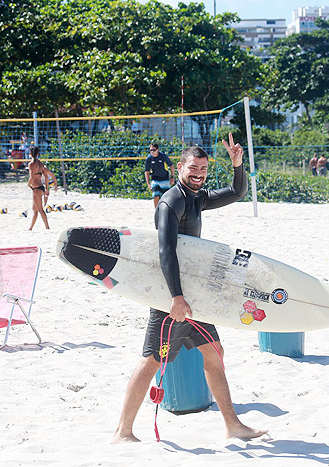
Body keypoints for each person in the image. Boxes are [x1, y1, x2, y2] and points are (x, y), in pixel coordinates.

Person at [112, 134, 267, 444]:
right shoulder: (171, 202)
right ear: (179, 167)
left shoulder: (197, 197)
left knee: (214, 352)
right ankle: (122, 432)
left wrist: (238, 165)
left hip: (193, 297)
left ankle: (232, 424)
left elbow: (237, 191)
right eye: (193, 169)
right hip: (172, 298)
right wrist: (176, 298)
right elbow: (165, 252)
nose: (198, 175)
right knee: (151, 360)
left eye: (203, 170)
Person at [27, 146, 55, 230]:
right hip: (41, 187)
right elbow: (46, 175)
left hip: (36, 188)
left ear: (30, 154)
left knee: (40, 210)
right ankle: (30, 228)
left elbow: (31, 178)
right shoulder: (40, 163)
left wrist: (28, 184)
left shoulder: (31, 164)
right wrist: (47, 188)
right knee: (35, 210)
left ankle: (47, 227)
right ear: (38, 154)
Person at [144, 143, 175, 208]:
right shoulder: (149, 158)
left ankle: (166, 211)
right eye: (150, 150)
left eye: (154, 150)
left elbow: (171, 165)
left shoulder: (163, 156)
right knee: (155, 196)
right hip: (155, 180)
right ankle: (157, 212)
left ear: (157, 150)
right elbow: (147, 171)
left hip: (165, 179)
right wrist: (148, 184)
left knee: (166, 198)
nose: (152, 151)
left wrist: (172, 177)